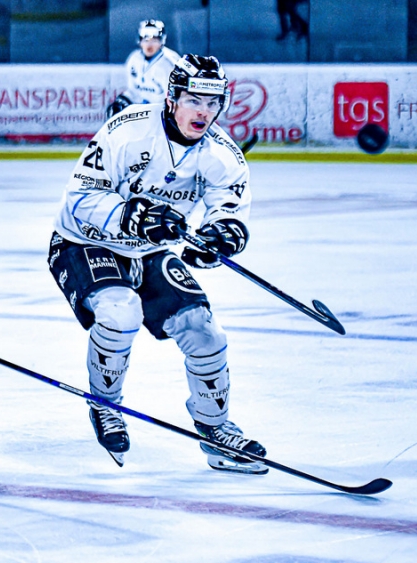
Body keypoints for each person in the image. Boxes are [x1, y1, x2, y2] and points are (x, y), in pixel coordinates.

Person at [48, 54, 268, 474]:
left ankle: (216, 430)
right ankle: (105, 405)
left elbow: (229, 209)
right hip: (84, 241)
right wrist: (131, 215)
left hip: (149, 251)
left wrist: (220, 236)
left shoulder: (222, 154)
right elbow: (79, 198)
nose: (203, 112)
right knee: (120, 312)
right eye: (194, 100)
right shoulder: (128, 129)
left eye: (213, 102)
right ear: (172, 98)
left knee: (204, 331)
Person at [106, 20, 180, 119]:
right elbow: (134, 91)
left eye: (154, 40)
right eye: (146, 40)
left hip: (162, 115)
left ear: (162, 41)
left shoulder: (169, 63)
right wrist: (123, 101)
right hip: (141, 113)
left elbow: (175, 98)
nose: (149, 44)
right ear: (140, 41)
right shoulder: (134, 59)